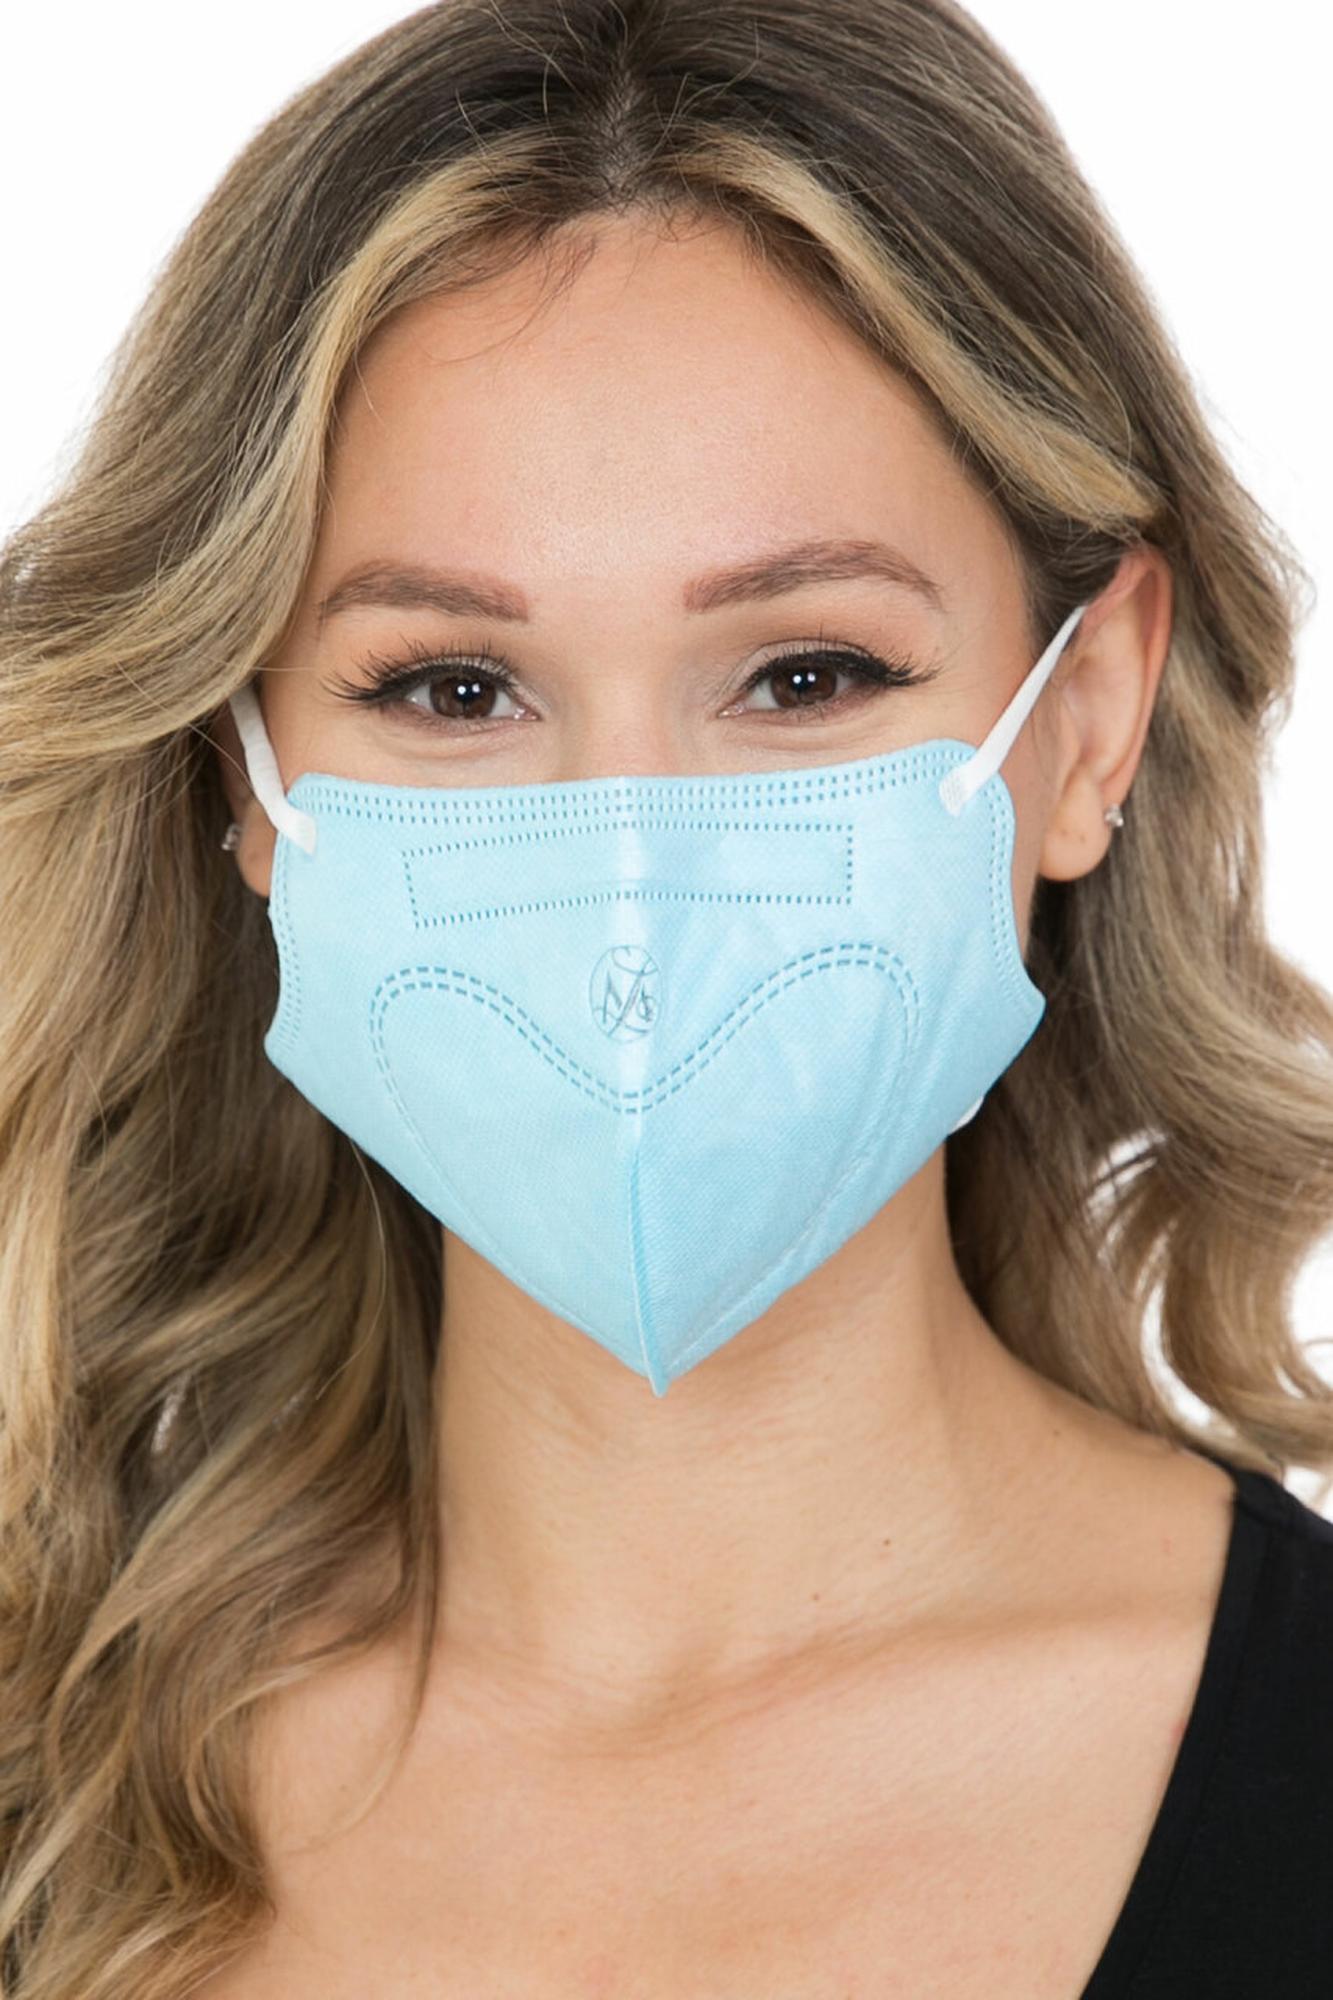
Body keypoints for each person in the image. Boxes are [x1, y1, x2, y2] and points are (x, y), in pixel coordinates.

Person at [2, 2, 1332, 1994]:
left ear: (1087, 715)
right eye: (453, 686)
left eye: (805, 674)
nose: (629, 856)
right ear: (245, 778)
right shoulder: (43, 1789)